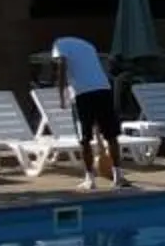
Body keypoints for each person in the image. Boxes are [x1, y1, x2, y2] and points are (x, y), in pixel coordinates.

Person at [52, 33, 123, 188]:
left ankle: (90, 179)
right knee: (111, 135)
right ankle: (119, 177)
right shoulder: (88, 45)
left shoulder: (59, 45)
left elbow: (62, 69)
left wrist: (62, 97)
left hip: (82, 93)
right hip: (104, 89)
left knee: (85, 138)